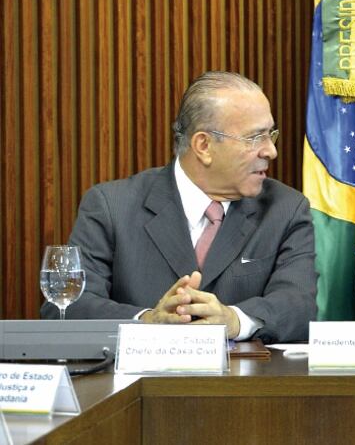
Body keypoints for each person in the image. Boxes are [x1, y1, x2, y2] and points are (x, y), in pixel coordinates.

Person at [42, 71, 316, 343]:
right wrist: (148, 322)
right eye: (254, 138)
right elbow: (64, 307)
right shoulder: (112, 206)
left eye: (271, 135)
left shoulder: (285, 209)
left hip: (243, 383)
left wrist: (234, 320)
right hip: (139, 383)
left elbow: (299, 307)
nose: (270, 151)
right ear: (203, 145)